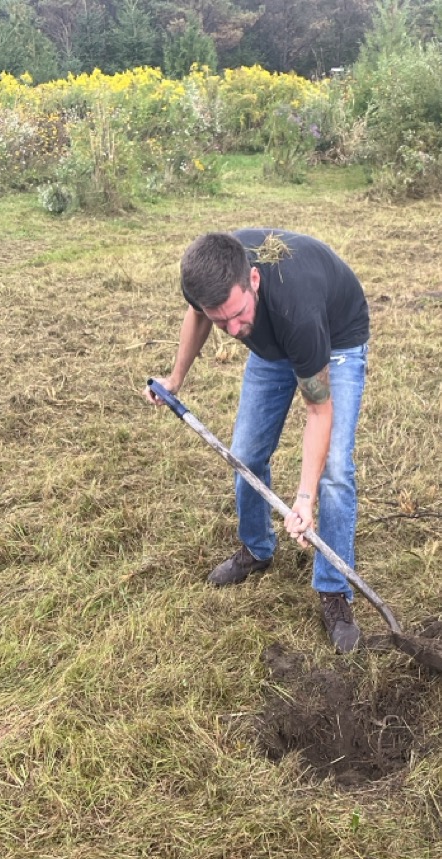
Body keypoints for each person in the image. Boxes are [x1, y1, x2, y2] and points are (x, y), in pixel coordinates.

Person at [145, 229, 370, 653]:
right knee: (246, 453)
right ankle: (257, 547)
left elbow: (319, 411)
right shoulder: (206, 276)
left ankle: (334, 590)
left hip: (334, 339)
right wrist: (174, 380)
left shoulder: (298, 309)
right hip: (273, 349)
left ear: (254, 280)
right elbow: (197, 314)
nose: (232, 330)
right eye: (221, 320)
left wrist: (304, 498)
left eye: (236, 315)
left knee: (335, 472)